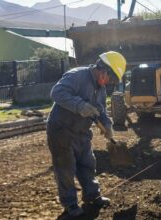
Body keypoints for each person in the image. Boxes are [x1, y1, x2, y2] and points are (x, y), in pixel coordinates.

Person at [46, 51, 126, 217]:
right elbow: (57, 93)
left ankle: (92, 195)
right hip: (62, 130)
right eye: (110, 78)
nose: (109, 83)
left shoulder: (101, 89)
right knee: (66, 168)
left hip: (82, 132)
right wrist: (80, 105)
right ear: (103, 70)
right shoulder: (77, 76)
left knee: (88, 164)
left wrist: (107, 124)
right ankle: (70, 205)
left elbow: (101, 111)